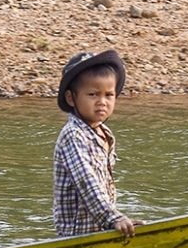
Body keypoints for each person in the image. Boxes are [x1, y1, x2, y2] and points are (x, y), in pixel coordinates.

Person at [52, 48, 136, 238]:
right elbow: (87, 182)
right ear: (71, 98)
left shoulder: (103, 133)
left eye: (109, 95)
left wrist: (117, 219)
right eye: (92, 95)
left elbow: (104, 188)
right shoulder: (73, 136)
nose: (102, 102)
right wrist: (113, 218)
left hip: (99, 231)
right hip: (75, 238)